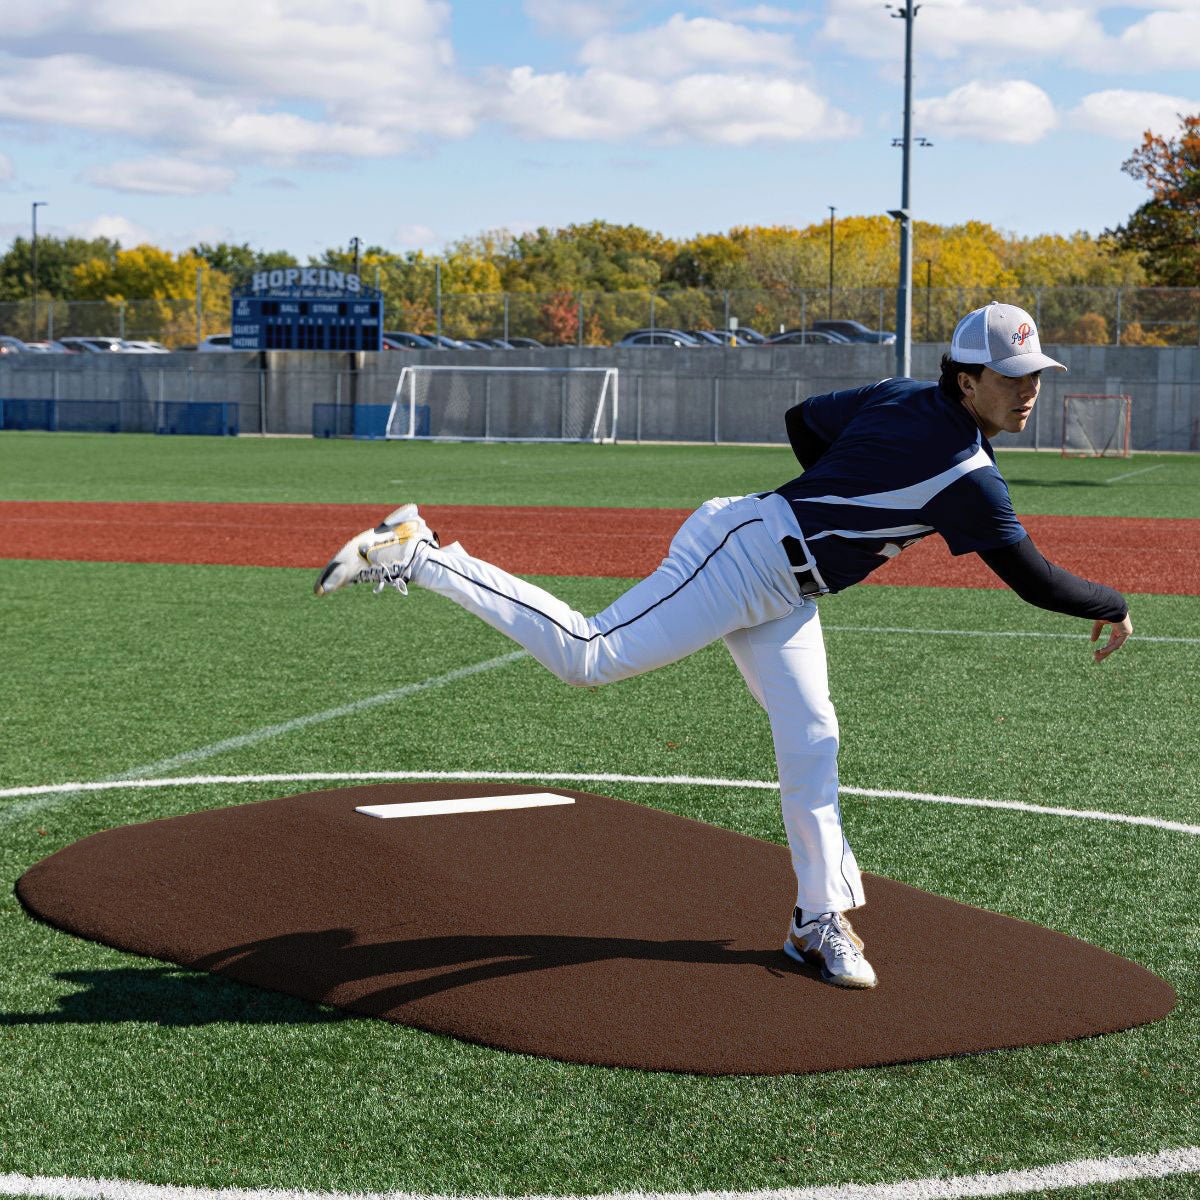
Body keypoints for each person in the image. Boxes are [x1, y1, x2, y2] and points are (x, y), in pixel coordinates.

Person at [314, 301, 1131, 991]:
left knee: (813, 738)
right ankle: (421, 553)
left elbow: (804, 423)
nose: (1029, 392)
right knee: (588, 658)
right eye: (1014, 378)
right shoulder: (968, 475)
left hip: (780, 576)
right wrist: (1115, 603)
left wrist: (830, 499)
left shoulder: (898, 395)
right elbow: (1032, 579)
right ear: (967, 379)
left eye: (1035, 378)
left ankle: (817, 921)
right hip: (743, 555)